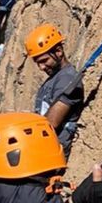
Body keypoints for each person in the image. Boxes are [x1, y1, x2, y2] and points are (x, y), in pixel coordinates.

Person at [26, 24, 85, 156]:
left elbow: (51, 123)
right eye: (37, 63)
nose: (41, 67)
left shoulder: (68, 78)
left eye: (44, 60)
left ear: (58, 51)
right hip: (45, 150)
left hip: (54, 154)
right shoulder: (54, 78)